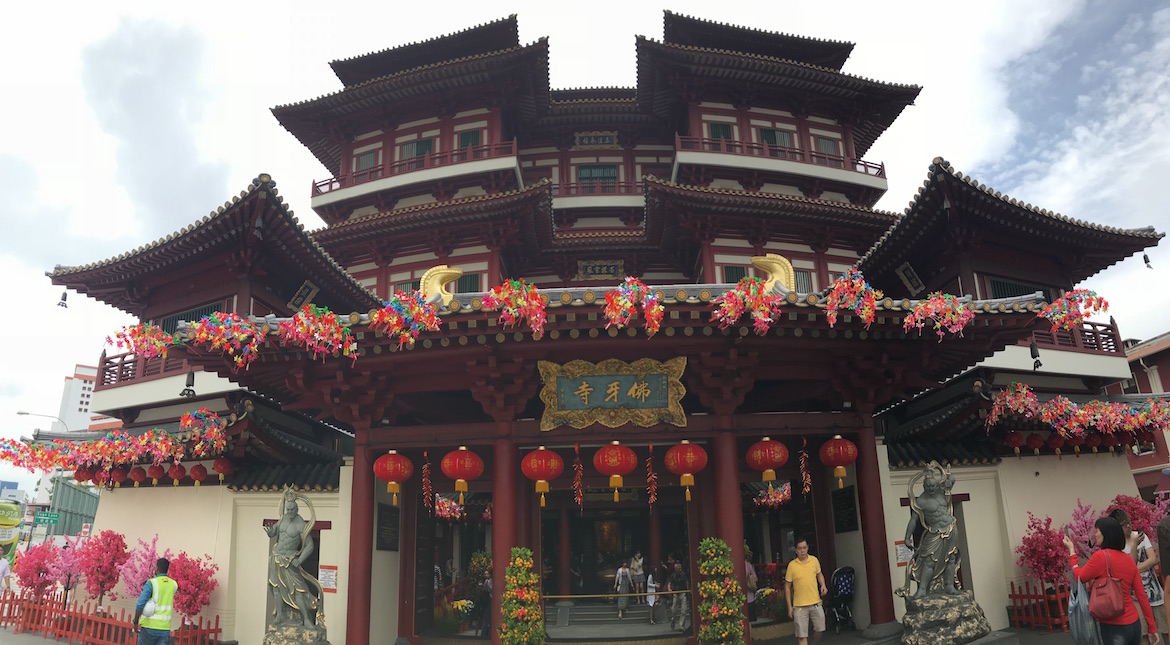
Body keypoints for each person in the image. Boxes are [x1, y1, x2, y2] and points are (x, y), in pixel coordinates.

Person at [1064, 516, 1159, 645]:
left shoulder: (1100, 557)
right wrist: (1152, 627)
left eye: (1098, 531)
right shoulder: (1129, 561)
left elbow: (1079, 577)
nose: (1095, 535)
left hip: (1114, 626)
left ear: (1106, 534)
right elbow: (1142, 596)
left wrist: (1072, 553)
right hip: (1134, 624)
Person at [897, 466, 960, 598]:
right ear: (924, 486)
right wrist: (907, 537)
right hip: (934, 531)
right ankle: (923, 589)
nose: (932, 489)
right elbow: (914, 520)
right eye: (929, 486)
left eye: (933, 486)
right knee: (928, 560)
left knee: (951, 558)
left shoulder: (942, 492)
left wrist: (949, 480)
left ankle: (949, 585)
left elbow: (952, 479)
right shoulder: (921, 501)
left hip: (950, 527)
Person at [265, 488, 324, 626]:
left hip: (290, 561)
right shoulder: (283, 519)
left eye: (292, 510)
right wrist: (270, 532)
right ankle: (280, 615)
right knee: (276, 588)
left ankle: (307, 619)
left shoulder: (300, 524)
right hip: (276, 558)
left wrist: (300, 560)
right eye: (288, 510)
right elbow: (274, 531)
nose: (289, 512)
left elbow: (309, 546)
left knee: (300, 590)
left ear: (297, 509)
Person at [1113, 509, 1166, 643]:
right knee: (1142, 633)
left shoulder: (1141, 536)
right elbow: (1128, 569)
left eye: (1129, 522)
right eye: (1124, 524)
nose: (1129, 526)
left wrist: (1133, 570)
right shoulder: (1117, 546)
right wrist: (1135, 547)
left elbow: (1153, 558)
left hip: (1154, 592)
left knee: (1165, 628)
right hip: (1134, 597)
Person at [785, 537, 827, 645]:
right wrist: (789, 607)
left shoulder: (814, 560)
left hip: (815, 602)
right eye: (799, 548)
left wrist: (823, 585)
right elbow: (787, 587)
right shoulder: (792, 565)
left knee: (820, 629)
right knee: (802, 635)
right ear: (796, 550)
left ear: (807, 548)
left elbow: (819, 574)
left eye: (804, 548)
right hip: (799, 606)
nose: (802, 550)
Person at [132, 558, 177, 645]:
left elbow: (140, 604)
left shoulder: (152, 583)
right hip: (164, 629)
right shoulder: (174, 585)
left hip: (148, 628)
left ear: (157, 568)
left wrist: (136, 621)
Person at [668, 561, 691, 632]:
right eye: (678, 568)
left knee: (683, 610)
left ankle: (681, 625)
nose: (680, 570)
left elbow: (686, 582)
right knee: (674, 610)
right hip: (675, 593)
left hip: (682, 593)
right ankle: (673, 621)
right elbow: (670, 583)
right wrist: (669, 589)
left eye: (680, 568)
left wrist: (687, 591)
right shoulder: (673, 576)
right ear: (676, 569)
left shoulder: (683, 575)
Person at [745, 544, 759, 623]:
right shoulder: (748, 565)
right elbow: (755, 578)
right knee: (750, 621)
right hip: (750, 597)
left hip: (741, 597)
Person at [478, 569, 493, 639]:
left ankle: (485, 634)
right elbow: (490, 590)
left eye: (487, 574)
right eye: (485, 574)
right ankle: (486, 634)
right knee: (487, 618)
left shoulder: (486, 582)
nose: (486, 575)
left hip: (487, 601)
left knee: (487, 618)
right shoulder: (488, 581)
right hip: (489, 601)